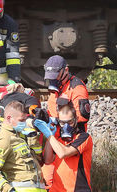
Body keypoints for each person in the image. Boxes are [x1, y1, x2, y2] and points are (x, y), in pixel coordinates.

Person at [42, 54, 91, 188]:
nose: (53, 80)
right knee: (48, 174)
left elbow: (82, 117)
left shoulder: (77, 87)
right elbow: (52, 109)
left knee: (69, 177)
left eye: (56, 76)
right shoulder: (56, 89)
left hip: (70, 139)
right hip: (55, 137)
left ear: (66, 71)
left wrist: (60, 122)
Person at [0, 101, 46, 192]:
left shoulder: (20, 136)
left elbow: (39, 161)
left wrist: (33, 138)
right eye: (21, 120)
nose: (24, 123)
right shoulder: (4, 139)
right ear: (9, 118)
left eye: (25, 120)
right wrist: (9, 190)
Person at [34, 103, 93, 192]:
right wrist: (51, 134)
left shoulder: (83, 137)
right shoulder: (58, 139)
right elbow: (48, 160)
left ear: (76, 119)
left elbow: (63, 153)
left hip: (77, 189)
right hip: (56, 189)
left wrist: (49, 134)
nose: (66, 126)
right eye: (62, 123)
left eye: (70, 122)